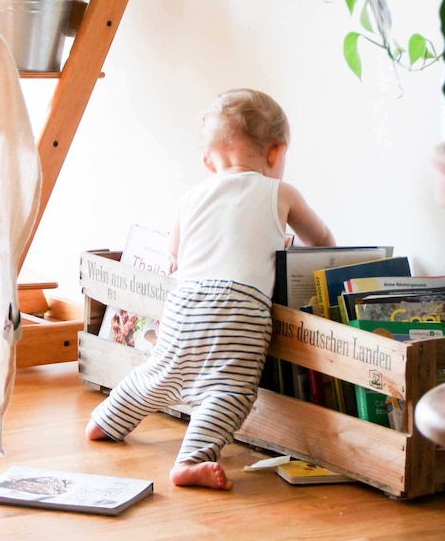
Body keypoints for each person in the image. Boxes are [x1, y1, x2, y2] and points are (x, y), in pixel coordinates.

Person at [85, 88, 336, 490]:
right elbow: (322, 242)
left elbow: (174, 256)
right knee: (231, 389)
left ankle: (106, 420)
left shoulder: (191, 197)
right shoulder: (280, 193)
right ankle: (191, 459)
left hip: (186, 302)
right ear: (276, 153)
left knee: (161, 372)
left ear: (208, 160)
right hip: (241, 308)